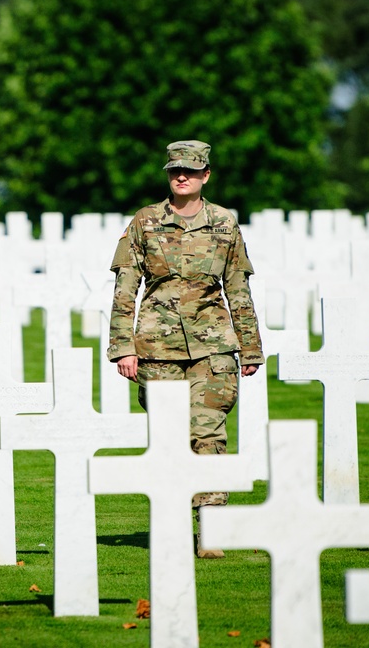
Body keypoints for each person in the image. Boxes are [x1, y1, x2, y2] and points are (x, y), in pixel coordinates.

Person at [107, 139, 264, 558]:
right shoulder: (144, 222)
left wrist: (250, 349)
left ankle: (211, 530)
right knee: (170, 439)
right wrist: (123, 347)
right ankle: (174, 525)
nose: (181, 176)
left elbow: (238, 289)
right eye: (175, 170)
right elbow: (125, 289)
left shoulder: (225, 224)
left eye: (191, 171)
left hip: (213, 347)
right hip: (157, 349)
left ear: (205, 176)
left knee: (208, 434)